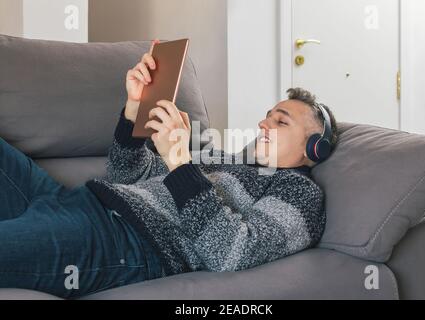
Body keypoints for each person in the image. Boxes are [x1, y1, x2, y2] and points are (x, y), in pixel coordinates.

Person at [0, 39, 338, 299]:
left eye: (281, 121)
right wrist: (135, 107)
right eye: (268, 114)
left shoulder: (298, 193)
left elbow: (233, 251)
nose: (263, 123)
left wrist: (180, 162)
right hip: (74, 199)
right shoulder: (225, 159)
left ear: (314, 148)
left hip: (116, 240)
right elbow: (125, 175)